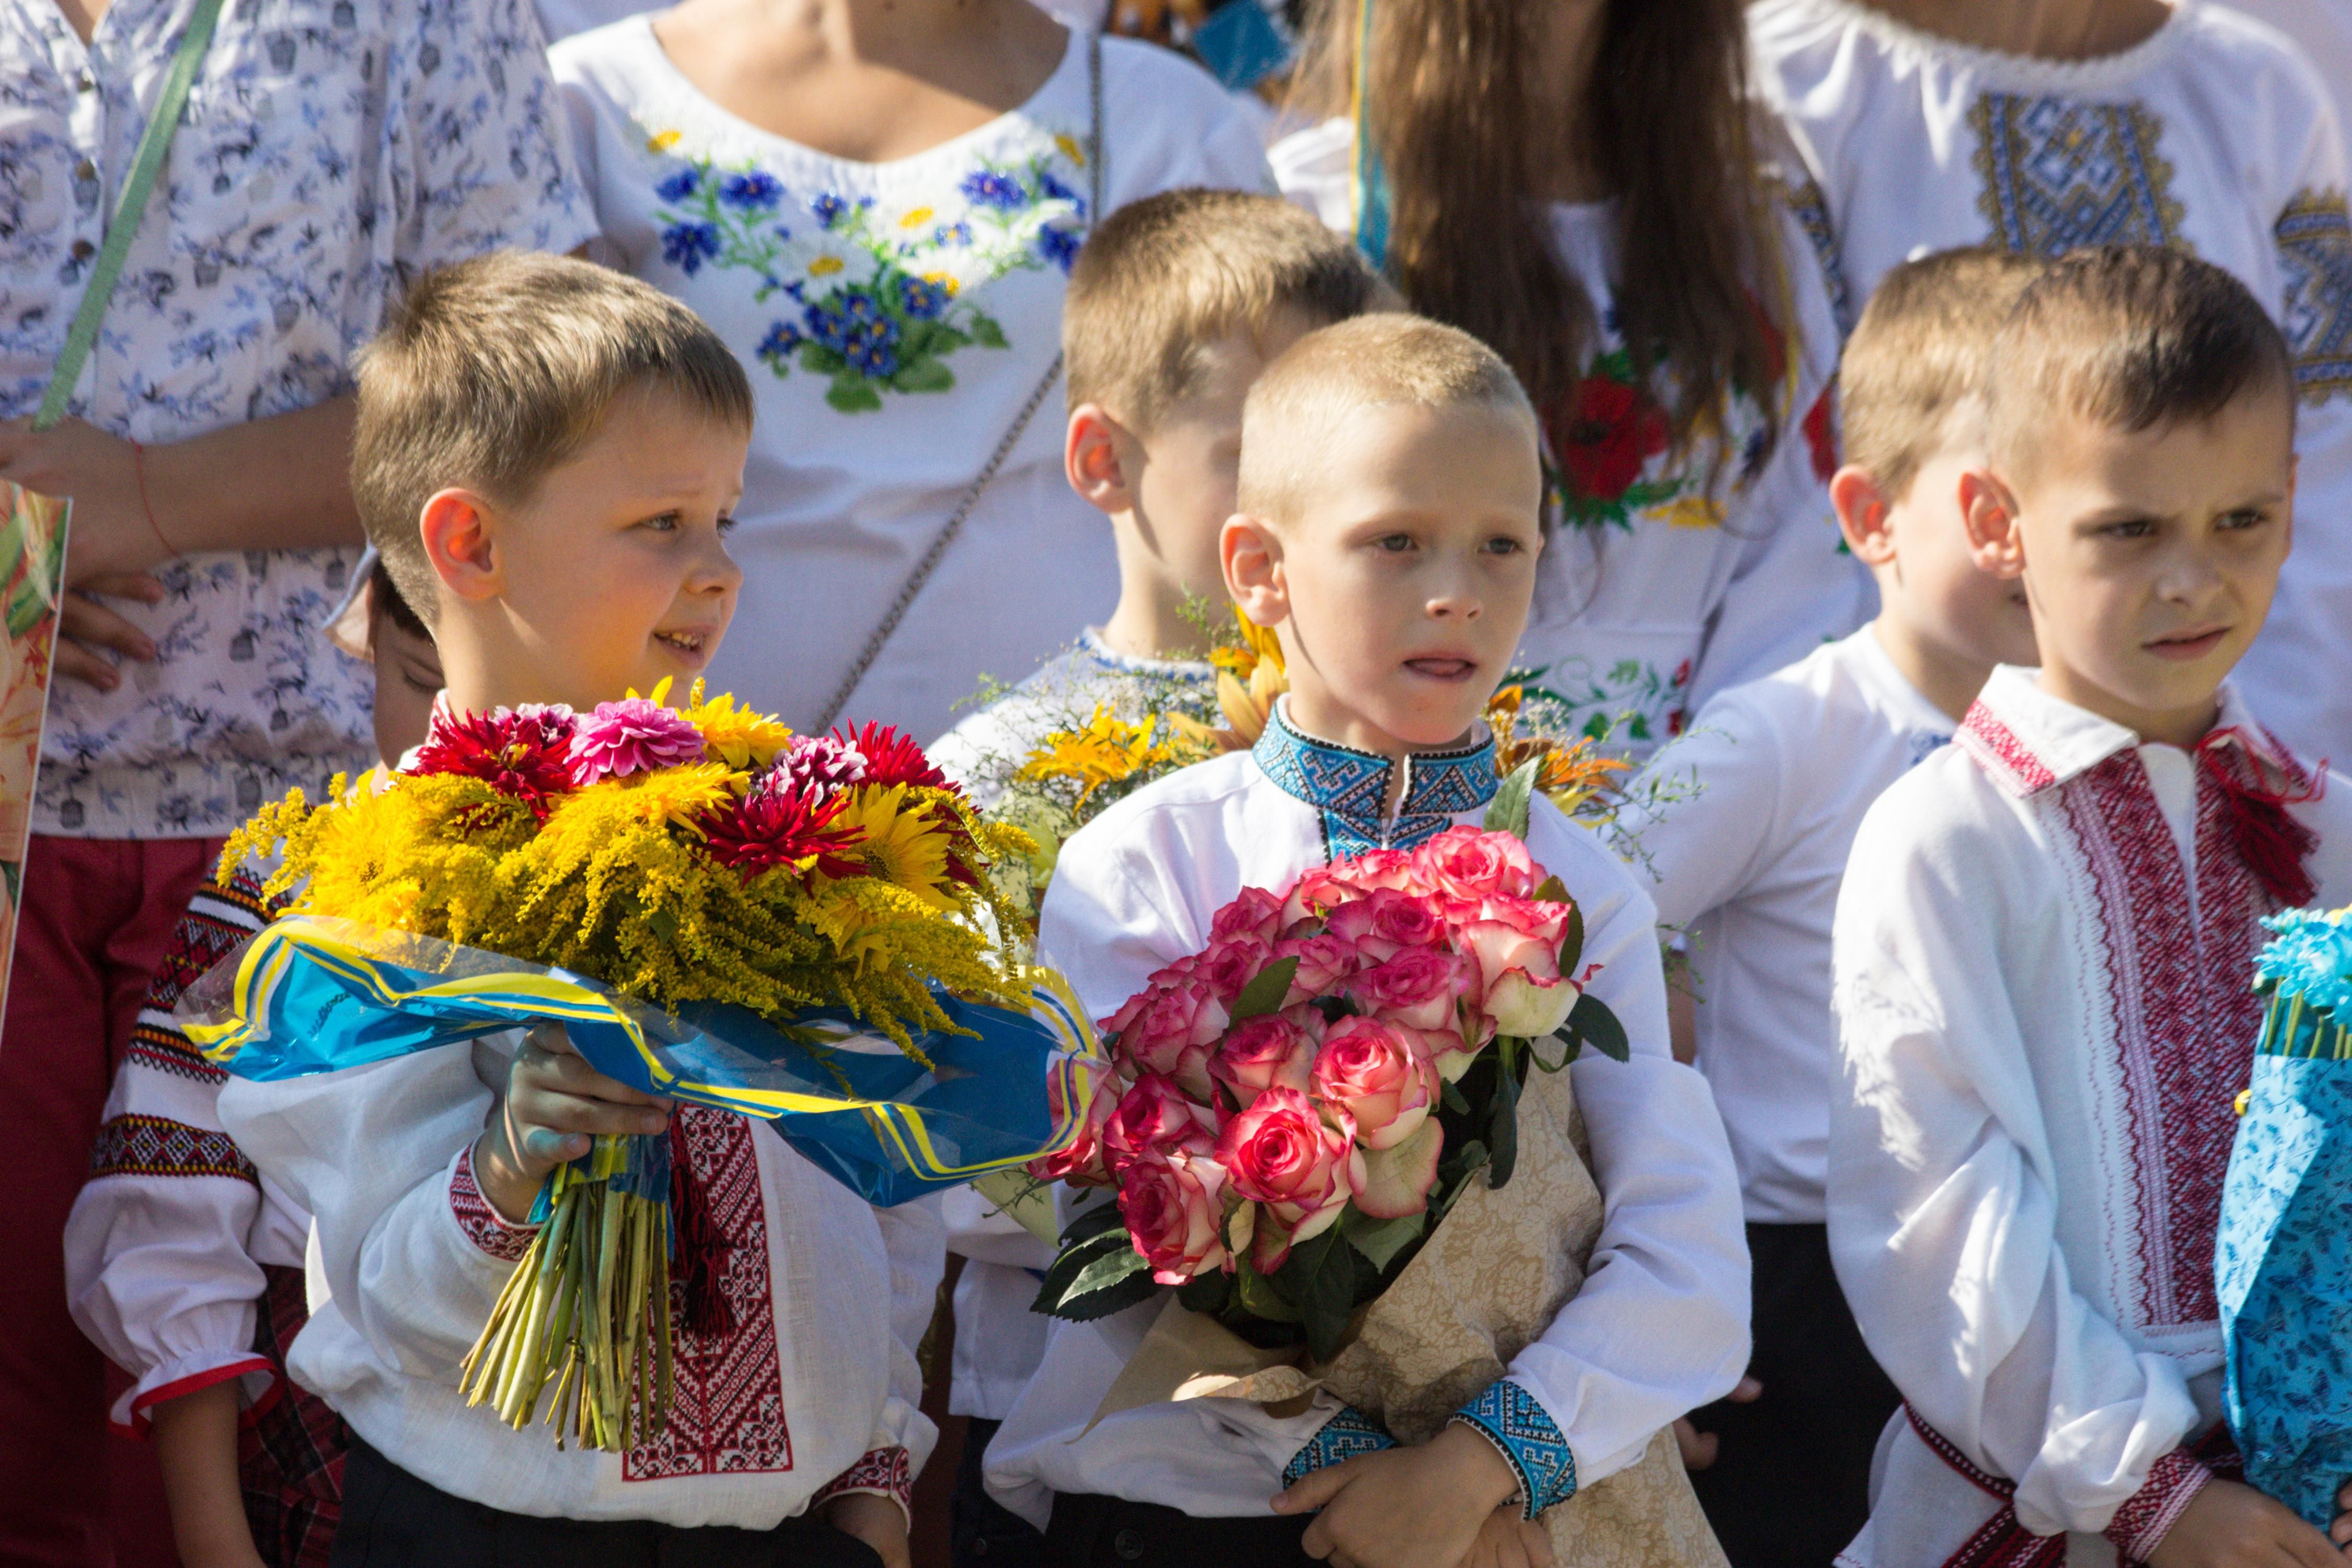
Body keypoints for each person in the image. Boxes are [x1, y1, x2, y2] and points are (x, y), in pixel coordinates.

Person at [983, 313, 1749, 1568]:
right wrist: (1346, 1473)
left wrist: (1475, 1473)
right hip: (1208, 1523)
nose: (1459, 590)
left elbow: (1685, 1253)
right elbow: (1106, 1231)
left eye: (1503, 546)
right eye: (1396, 542)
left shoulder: (1580, 882)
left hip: (1510, 1521)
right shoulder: (1145, 863)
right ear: (1260, 569)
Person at [212, 251, 938, 1568]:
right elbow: (384, 1313)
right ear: (473, 543)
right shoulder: (370, 894)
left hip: (796, 1532)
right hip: (492, 1536)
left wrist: (877, 1473)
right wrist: (510, 1161)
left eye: (727, 519)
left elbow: (876, 1183)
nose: (717, 570)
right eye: (664, 524)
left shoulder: (783, 829)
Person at [0, 1, 592, 1559]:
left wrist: (144, 500)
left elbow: (539, 385)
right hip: (15, 832)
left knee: (277, 1430)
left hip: (323, 868)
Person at [1828, 247, 2352, 1568]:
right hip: (2043, 1516)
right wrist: (2147, 1491)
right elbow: (1933, 1220)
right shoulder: (1944, 840)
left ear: (2294, 499)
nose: (2193, 579)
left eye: (2240, 520)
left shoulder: (2331, 825)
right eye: (2129, 529)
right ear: (2001, 522)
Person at [925, 186, 1383, 1568]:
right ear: (1103, 459)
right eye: (1258, 445)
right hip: (1100, 1448)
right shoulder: (998, 778)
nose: (1321, 489)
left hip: (1397, 1446)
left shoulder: (1418, 744)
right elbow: (951, 1165)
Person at [1623, 248, 2042, 1568]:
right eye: (1993, 501)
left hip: (2035, 1269)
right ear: (1870, 515)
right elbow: (1562, 943)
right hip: (1795, 1298)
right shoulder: (1786, 732)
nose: (2034, 543)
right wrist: (1643, 1295)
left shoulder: (2120, 744)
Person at [548, 0, 1277, 747]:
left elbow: (1275, 480)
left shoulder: (1168, 121)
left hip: (1088, 807)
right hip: (675, 807)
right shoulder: (587, 104)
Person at [1747, 0, 2352, 765]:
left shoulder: (2257, 93)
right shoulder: (1792, 85)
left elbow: (2327, 488)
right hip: (1884, 772)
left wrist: (2264, 794)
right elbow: (1776, 506)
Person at [1267, 0, 1871, 758]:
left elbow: (1801, 573)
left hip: (1717, 818)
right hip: (1397, 830)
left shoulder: (1753, 241)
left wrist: (1665, 834)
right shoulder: (1324, 217)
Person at [61, 556, 442, 1568]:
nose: (457, 730)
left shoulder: (658, 893)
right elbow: (174, 1210)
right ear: (366, 643)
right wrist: (216, 1539)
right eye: (421, 678)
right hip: (329, 1467)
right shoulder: (285, 889)